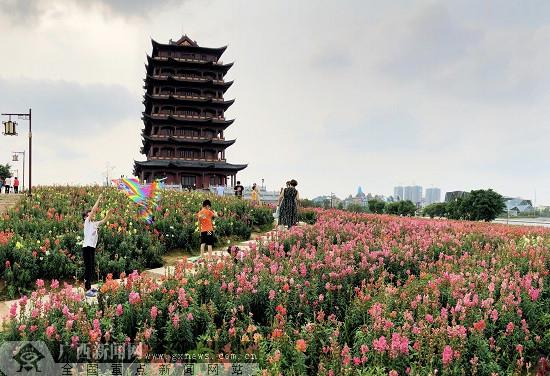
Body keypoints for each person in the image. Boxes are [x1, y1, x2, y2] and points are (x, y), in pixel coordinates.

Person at [82, 194, 110, 297]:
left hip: (91, 248)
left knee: (91, 268)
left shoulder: (94, 224)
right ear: (86, 216)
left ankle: (89, 287)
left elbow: (104, 220)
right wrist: (98, 198)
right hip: (87, 247)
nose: (92, 214)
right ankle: (87, 289)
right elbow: (93, 210)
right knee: (88, 268)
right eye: (89, 213)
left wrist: (109, 213)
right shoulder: (87, 222)